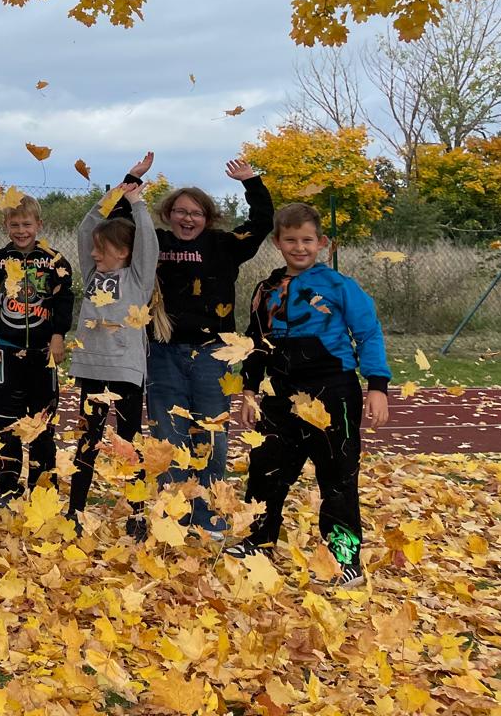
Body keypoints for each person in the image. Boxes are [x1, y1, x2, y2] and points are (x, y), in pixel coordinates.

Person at [228, 202, 391, 588]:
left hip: (332, 391)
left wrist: (377, 386)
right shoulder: (266, 290)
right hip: (279, 393)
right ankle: (258, 542)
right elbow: (256, 343)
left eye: (307, 240)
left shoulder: (340, 286)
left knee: (337, 474)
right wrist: (249, 390)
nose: (299, 247)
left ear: (322, 243)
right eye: (291, 240)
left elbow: (368, 333)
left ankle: (344, 559)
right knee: (266, 467)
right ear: (277, 242)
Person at [149, 158, 273, 537]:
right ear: (168, 215)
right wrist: (132, 182)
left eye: (196, 213)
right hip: (163, 352)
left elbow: (262, 223)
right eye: (181, 212)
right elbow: (114, 227)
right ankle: (174, 515)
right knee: (169, 436)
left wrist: (251, 181)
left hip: (212, 354)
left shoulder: (223, 246)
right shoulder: (154, 243)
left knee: (211, 436)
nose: (188, 219)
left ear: (208, 218)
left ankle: (206, 515)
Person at [67, 154, 159, 536]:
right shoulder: (93, 274)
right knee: (86, 441)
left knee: (129, 443)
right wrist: (123, 185)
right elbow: (86, 228)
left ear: (122, 251)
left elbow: (147, 242)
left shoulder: (137, 278)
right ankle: (74, 512)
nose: (92, 253)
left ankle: (137, 516)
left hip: (125, 373)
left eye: (101, 249)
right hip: (92, 369)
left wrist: (137, 203)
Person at [0, 193, 74, 502]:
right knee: (7, 425)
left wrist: (58, 335)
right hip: (6, 351)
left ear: (39, 224)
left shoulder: (55, 260)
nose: (21, 230)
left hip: (43, 354)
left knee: (42, 425)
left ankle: (44, 491)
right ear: (5, 225)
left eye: (27, 224)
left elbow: (64, 299)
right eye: (15, 224)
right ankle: (6, 489)